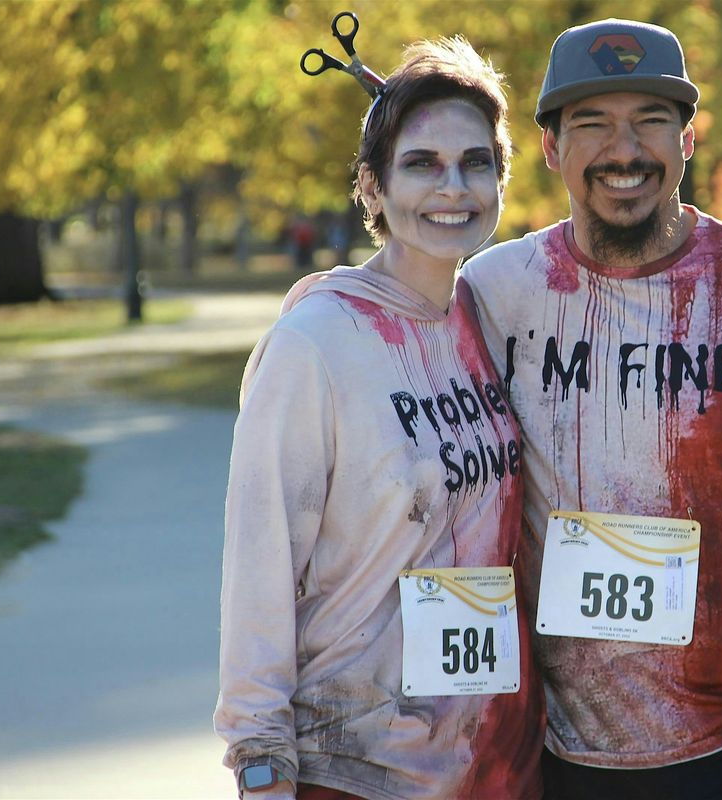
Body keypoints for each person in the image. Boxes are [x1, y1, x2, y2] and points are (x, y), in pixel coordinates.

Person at [462, 18, 722, 799]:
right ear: (550, 147)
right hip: (557, 759)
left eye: (650, 121)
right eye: (592, 124)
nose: (624, 150)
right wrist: (331, 292)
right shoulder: (492, 296)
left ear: (688, 140)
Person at [214, 37, 544, 800]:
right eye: (422, 163)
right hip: (355, 767)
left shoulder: (488, 322)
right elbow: (261, 562)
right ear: (372, 185)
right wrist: (259, 757)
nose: (453, 187)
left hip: (495, 767)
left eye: (475, 163)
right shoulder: (316, 343)